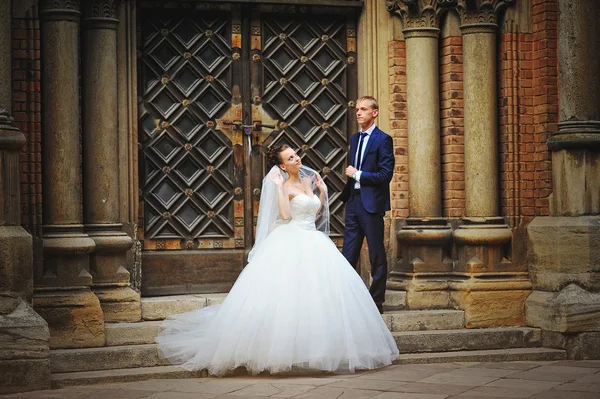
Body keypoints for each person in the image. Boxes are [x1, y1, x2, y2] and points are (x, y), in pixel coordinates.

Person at [156, 144, 399, 377]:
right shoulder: (283, 185)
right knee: (286, 296)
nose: (297, 159)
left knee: (317, 295)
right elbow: (284, 215)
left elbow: (313, 213)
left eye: (296, 155)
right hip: (291, 238)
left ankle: (316, 348)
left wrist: (322, 193)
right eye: (291, 158)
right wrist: (280, 189)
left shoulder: (307, 180)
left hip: (312, 238)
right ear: (282, 167)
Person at [340, 96, 395, 314]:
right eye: (356, 109)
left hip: (371, 205)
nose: (358, 112)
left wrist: (358, 174)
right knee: (348, 254)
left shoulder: (383, 139)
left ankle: (376, 302)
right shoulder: (354, 139)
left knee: (376, 254)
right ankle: (346, 298)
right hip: (354, 203)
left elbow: (385, 174)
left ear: (374, 113)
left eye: (363, 109)